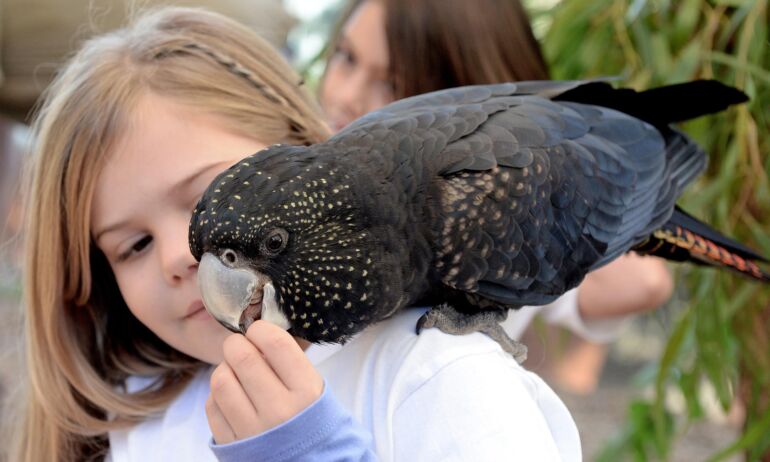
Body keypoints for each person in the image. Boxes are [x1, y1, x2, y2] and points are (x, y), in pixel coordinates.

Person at [9, 6, 581, 461]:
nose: (179, 259)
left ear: (304, 154)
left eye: (207, 195)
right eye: (132, 246)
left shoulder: (430, 373)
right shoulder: (133, 421)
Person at [318, 0, 674, 392]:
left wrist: (539, 196)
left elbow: (645, 282)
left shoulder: (487, 203)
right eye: (345, 56)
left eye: (393, 83)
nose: (347, 95)